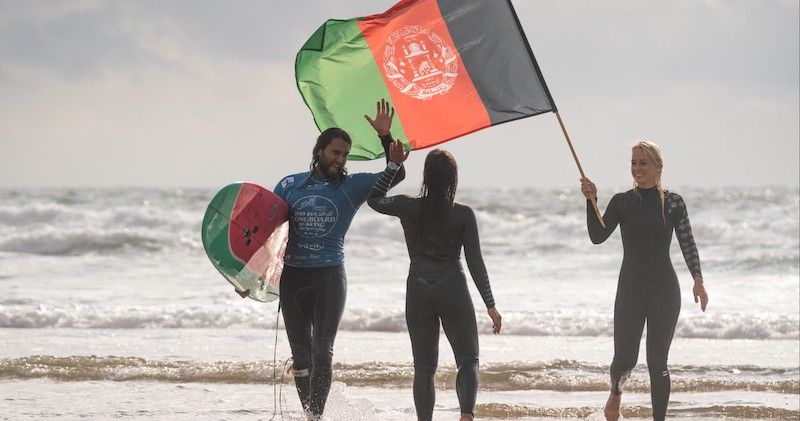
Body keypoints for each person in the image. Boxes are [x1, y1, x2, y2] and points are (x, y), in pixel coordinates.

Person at [273, 99, 406, 420]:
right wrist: (246, 277)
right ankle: (311, 414)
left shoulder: (352, 185)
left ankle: (315, 417)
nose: (340, 159)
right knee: (301, 356)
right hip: (293, 278)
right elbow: (266, 233)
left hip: (329, 276)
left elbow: (395, 175)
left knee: (322, 350)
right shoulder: (289, 185)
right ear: (319, 151)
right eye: (335, 152)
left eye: (345, 154)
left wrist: (386, 139)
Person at [367, 149, 502, 421]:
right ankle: (466, 416)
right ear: (453, 179)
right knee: (468, 360)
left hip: (417, 289)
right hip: (453, 286)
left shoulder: (407, 206)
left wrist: (394, 165)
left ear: (426, 177)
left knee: (424, 367)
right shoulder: (463, 214)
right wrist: (490, 304)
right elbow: (476, 262)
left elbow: (373, 199)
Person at [579, 140, 709, 421]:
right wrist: (592, 202)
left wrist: (697, 279)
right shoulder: (623, 202)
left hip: (665, 290)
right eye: (634, 163)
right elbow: (597, 236)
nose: (637, 168)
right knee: (625, 360)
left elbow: (687, 242)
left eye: (643, 163)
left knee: (657, 364)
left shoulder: (674, 202)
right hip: (630, 290)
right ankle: (616, 392)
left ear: (658, 167)